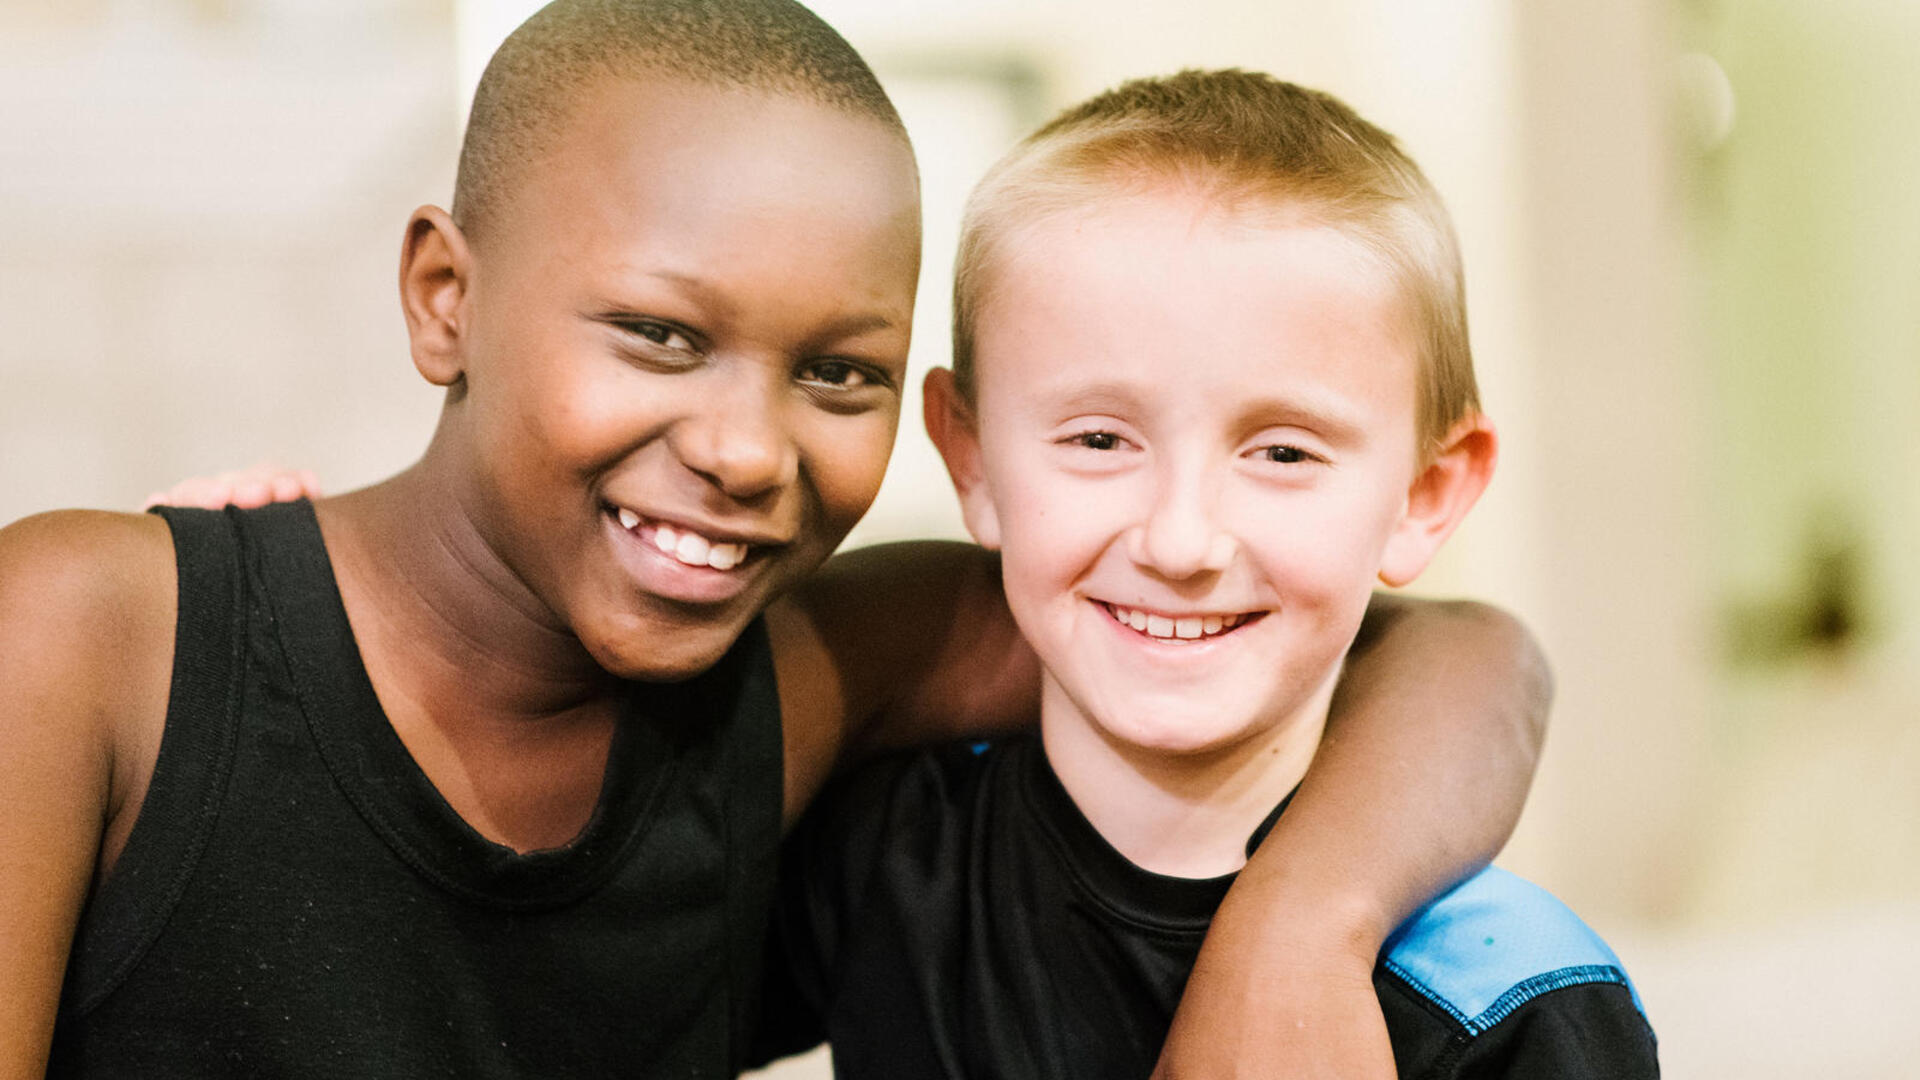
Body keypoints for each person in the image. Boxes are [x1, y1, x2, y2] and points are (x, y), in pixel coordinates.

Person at [0, 4, 1549, 1077]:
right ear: (444, 299)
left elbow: (1454, 652)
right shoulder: (93, 638)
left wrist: (1298, 926)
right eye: (662, 335)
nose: (747, 450)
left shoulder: (792, 683)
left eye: (838, 374)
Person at [754, 69, 1658, 1079]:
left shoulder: (1519, 1004)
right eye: (1099, 439)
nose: (1181, 542)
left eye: (1282, 453)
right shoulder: (876, 859)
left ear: (1425, 494)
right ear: (972, 460)